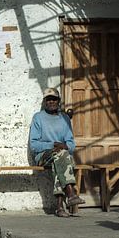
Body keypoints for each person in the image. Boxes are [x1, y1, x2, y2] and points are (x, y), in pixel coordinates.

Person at [29, 87, 85, 217]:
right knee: (62, 156)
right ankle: (70, 194)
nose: (51, 102)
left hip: (60, 157)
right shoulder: (38, 118)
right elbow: (34, 145)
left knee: (60, 159)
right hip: (43, 155)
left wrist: (64, 146)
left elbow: (71, 144)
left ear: (58, 101)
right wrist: (53, 144)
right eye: (48, 99)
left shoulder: (64, 118)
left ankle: (60, 208)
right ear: (44, 102)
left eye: (54, 99)